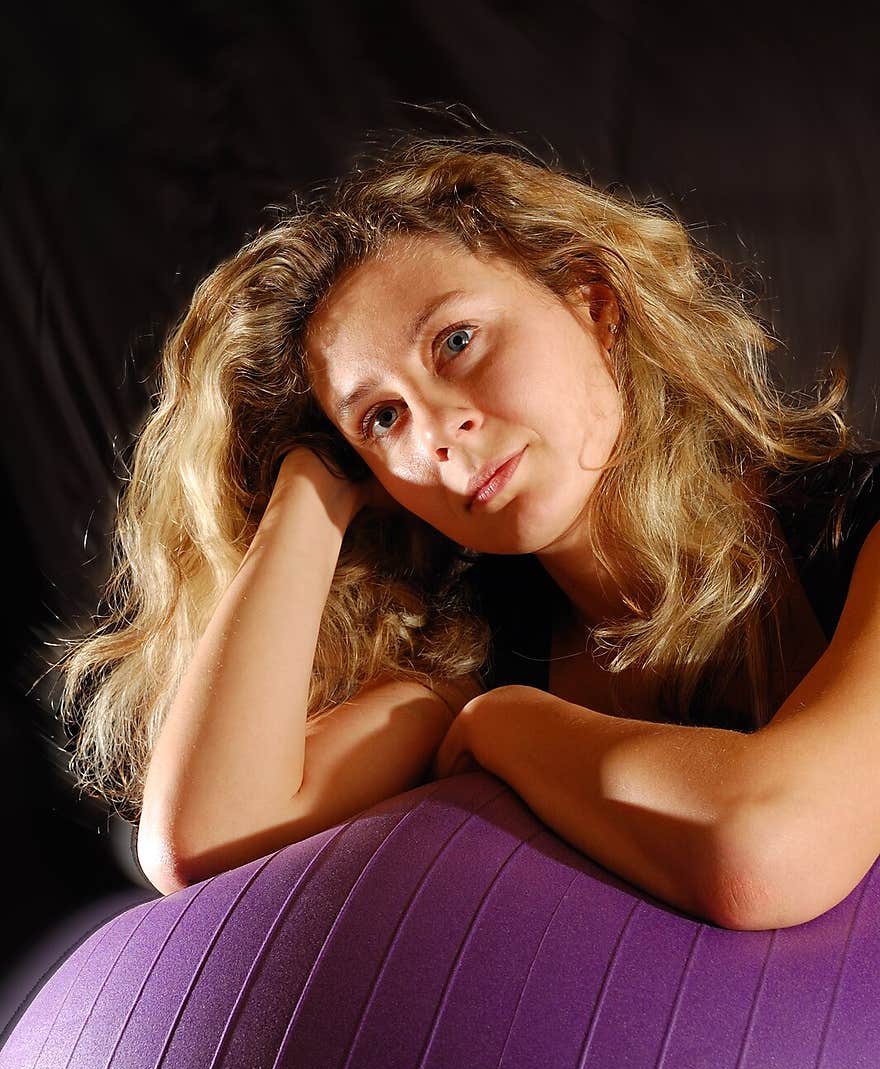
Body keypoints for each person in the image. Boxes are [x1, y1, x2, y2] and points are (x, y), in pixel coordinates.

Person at [48, 131, 880, 929]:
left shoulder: (863, 524)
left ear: (594, 306)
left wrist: (510, 727)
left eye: (456, 341)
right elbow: (204, 840)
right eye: (381, 417)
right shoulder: (471, 662)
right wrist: (312, 484)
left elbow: (768, 844)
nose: (437, 431)